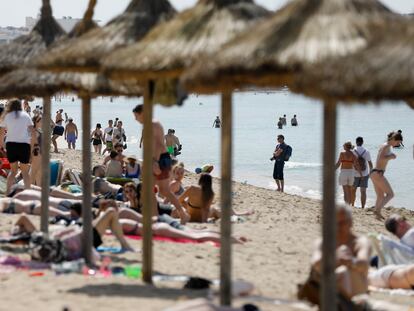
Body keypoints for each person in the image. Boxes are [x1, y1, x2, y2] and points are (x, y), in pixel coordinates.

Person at [132, 104, 189, 223]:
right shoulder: (150, 125)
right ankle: (178, 214)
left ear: (142, 113)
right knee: (162, 190)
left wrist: (154, 162)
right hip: (157, 159)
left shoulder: (153, 124)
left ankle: (156, 216)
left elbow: (158, 144)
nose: (135, 119)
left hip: (159, 159)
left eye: (136, 116)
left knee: (151, 189)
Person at [305, 205, 371, 304]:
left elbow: (363, 263)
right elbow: (316, 263)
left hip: (355, 289)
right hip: (332, 287)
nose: (338, 227)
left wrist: (348, 261)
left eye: (342, 223)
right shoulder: (323, 242)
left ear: (350, 222)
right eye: (334, 223)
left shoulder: (359, 242)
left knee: (344, 268)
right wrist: (336, 258)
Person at [0, 100, 34, 194]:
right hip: (24, 145)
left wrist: (2, 146)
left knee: (13, 171)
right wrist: (32, 146)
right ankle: (28, 194)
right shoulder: (26, 115)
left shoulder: (6, 116)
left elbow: (2, 133)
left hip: (11, 145)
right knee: (25, 172)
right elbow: (32, 132)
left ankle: (8, 193)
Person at [371, 131, 403, 220]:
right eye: (397, 142)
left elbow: (380, 159)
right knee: (390, 194)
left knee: (380, 196)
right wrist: (391, 157)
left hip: (375, 172)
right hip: (378, 173)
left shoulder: (385, 145)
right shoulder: (386, 146)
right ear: (393, 139)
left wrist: (390, 157)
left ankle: (377, 214)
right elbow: (381, 159)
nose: (397, 144)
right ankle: (377, 210)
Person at [351, 137, 373, 209]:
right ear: (362, 142)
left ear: (356, 142)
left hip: (354, 174)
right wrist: (370, 173)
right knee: (363, 192)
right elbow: (370, 164)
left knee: (353, 190)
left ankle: (353, 205)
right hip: (365, 174)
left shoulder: (353, 151)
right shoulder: (366, 151)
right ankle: (363, 207)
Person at [30, 115, 42, 186]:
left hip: (39, 154)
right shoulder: (34, 132)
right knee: (33, 173)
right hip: (36, 154)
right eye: (40, 121)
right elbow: (31, 144)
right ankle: (29, 190)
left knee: (38, 173)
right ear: (36, 122)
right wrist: (30, 157)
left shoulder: (38, 130)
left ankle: (38, 189)